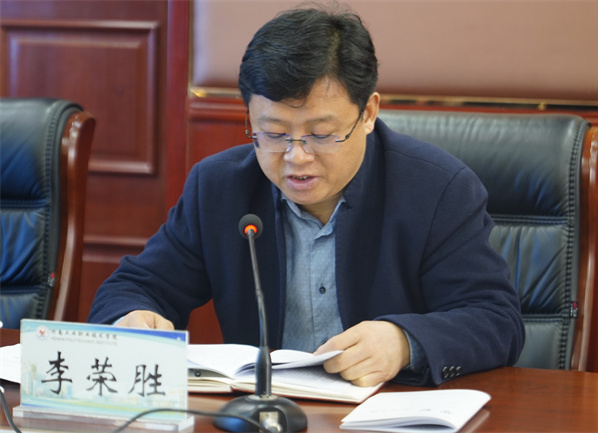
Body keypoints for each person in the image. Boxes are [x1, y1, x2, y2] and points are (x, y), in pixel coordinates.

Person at [88, 4, 525, 388]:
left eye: (321, 134)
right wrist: (132, 317)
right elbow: (134, 287)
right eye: (274, 133)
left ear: (368, 113)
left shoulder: (437, 189)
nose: (296, 157)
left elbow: (496, 320)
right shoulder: (219, 187)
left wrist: (404, 342)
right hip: (263, 413)